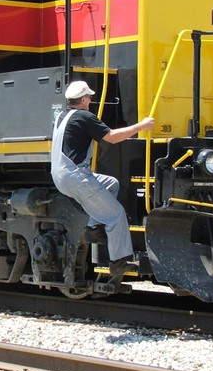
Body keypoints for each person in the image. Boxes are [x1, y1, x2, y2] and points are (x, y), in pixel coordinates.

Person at [51, 80, 155, 290]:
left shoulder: (62, 116)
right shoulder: (84, 116)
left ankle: (93, 228)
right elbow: (113, 138)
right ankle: (117, 262)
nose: (91, 100)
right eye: (88, 97)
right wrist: (141, 126)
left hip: (60, 175)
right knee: (116, 214)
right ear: (82, 100)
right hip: (75, 176)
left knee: (111, 184)